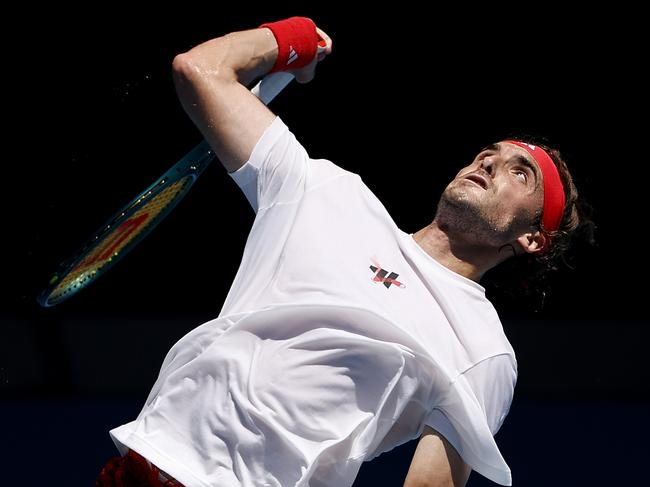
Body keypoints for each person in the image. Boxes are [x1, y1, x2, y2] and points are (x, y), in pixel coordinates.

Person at [96, 16, 585, 487]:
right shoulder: (325, 192)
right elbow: (199, 71)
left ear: (531, 238)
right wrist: (290, 38)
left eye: (520, 173)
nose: (491, 163)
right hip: (143, 461)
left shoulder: (483, 349)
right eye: (489, 154)